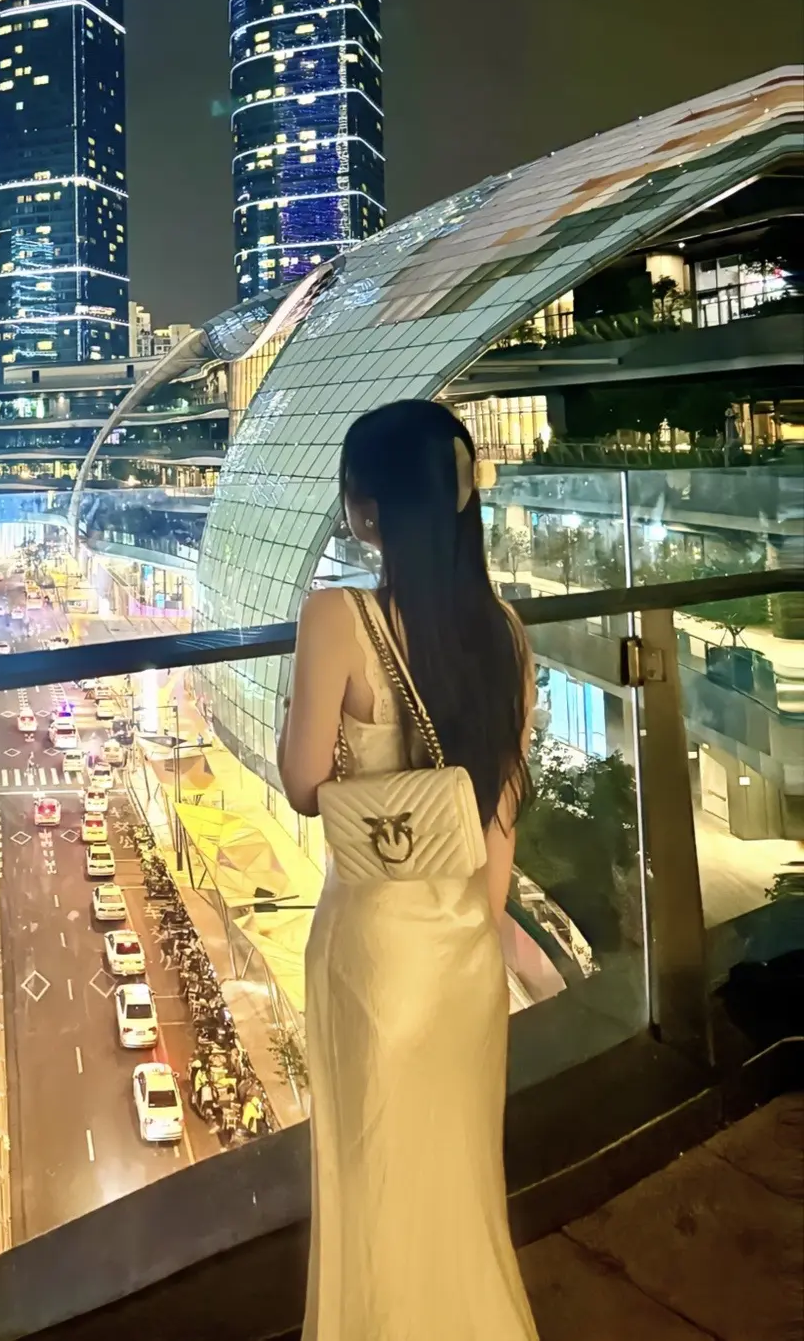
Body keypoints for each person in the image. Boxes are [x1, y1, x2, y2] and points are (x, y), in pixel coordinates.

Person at [278, 400, 538, 1341]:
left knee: (375, 1187)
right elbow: (500, 810)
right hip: (465, 952)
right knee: (461, 1190)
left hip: (375, 949)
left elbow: (304, 782)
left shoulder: (336, 617)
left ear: (368, 507)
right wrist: (475, 931)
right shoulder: (505, 632)